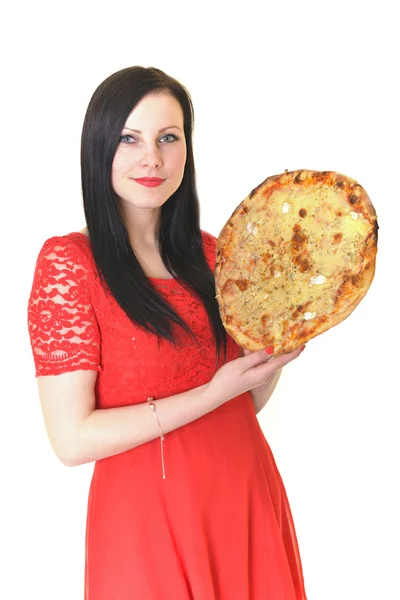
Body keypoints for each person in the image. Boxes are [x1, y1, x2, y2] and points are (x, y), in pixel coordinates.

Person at [27, 66, 308, 600]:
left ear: (186, 150)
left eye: (168, 138)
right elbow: (71, 440)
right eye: (129, 139)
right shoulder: (70, 264)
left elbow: (241, 403)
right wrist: (213, 392)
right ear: (99, 149)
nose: (151, 157)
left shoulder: (215, 256)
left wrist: (269, 363)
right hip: (145, 524)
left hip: (245, 497)